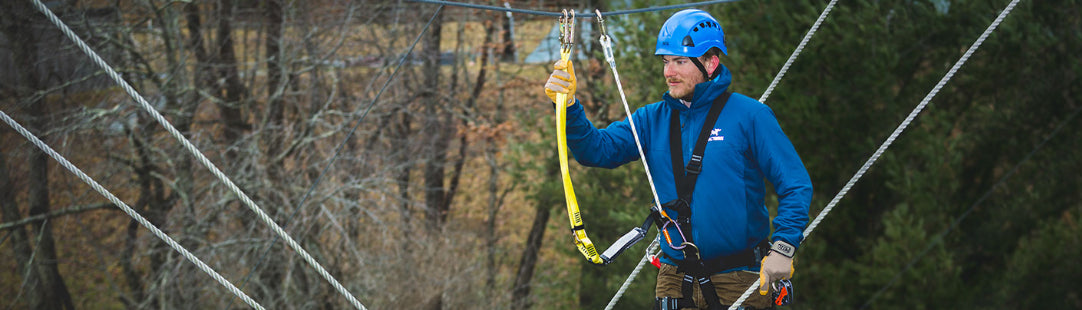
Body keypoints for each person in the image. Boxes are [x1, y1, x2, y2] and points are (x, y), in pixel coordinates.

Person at [543, 9, 812, 310]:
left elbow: (795, 184)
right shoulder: (651, 120)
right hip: (675, 278)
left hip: (739, 278)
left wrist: (783, 247)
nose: (669, 72)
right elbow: (596, 150)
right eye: (666, 61)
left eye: (680, 61)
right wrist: (570, 107)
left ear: (710, 63)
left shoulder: (749, 117)